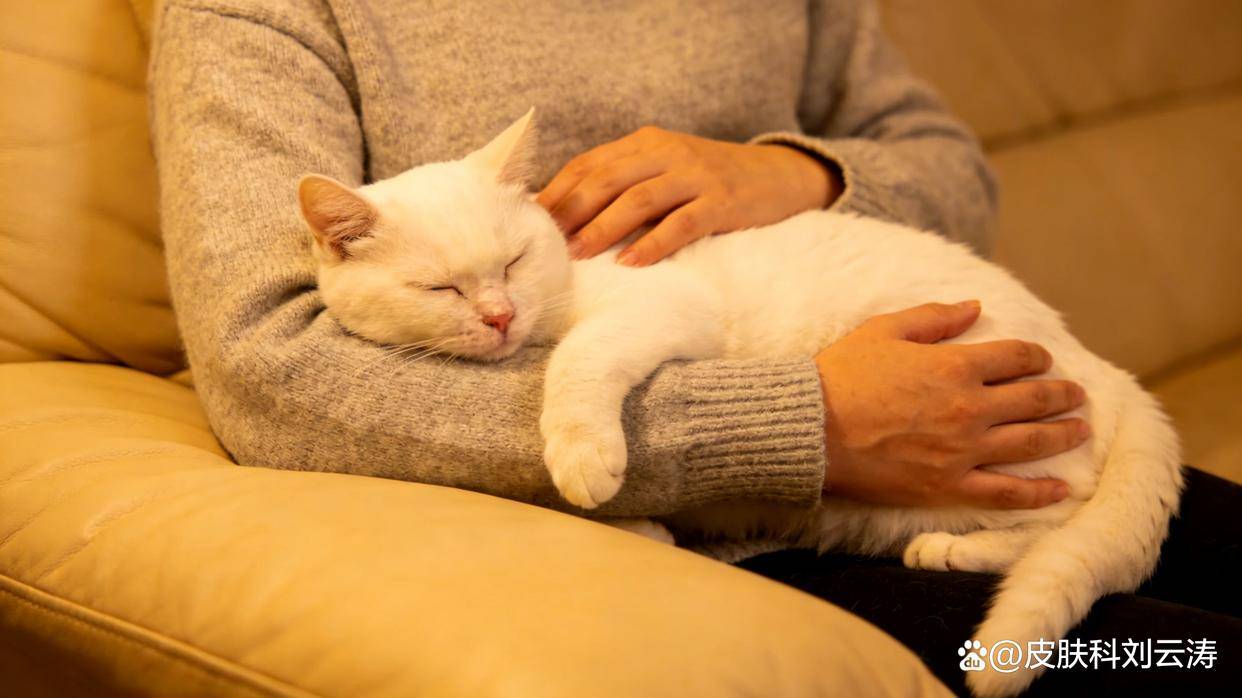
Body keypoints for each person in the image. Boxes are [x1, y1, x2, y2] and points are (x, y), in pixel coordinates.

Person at [150, 0, 1239, 693]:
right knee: (1186, 661)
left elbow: (956, 172)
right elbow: (265, 362)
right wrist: (804, 423)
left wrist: (798, 172)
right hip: (725, 528)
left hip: (954, 419)